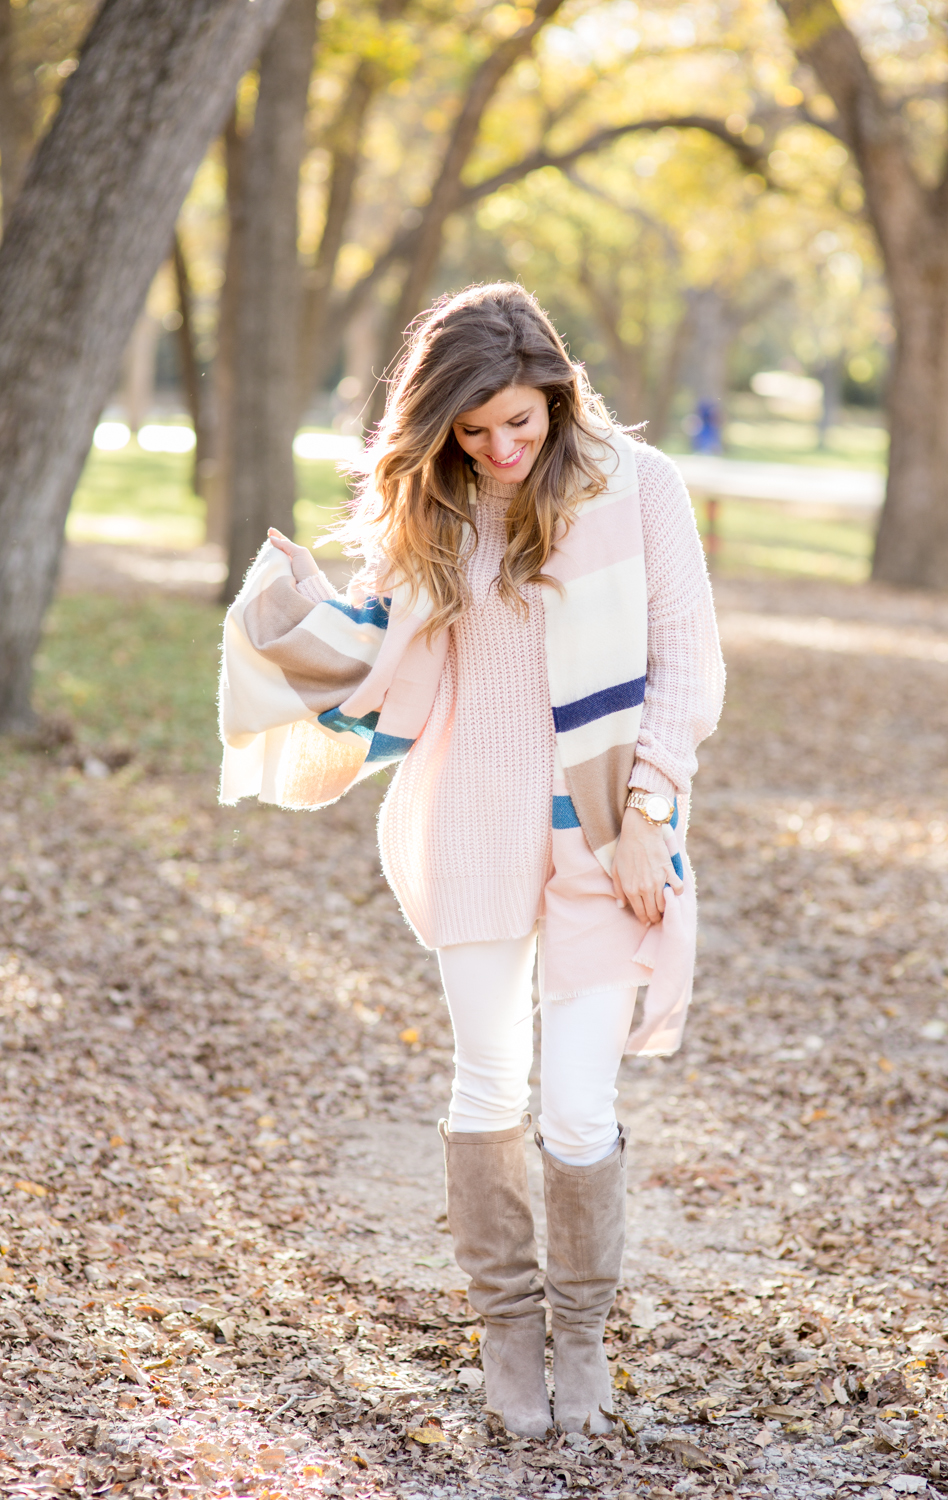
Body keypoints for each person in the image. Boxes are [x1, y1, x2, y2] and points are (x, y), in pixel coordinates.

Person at [235, 283, 725, 1438]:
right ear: (442, 426)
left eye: (520, 422)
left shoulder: (639, 486)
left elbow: (686, 665)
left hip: (607, 825)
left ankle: (582, 1338)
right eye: (474, 430)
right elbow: (377, 653)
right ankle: (509, 1335)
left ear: (556, 394)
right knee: (488, 1080)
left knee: (576, 1103)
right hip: (471, 817)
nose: (502, 449)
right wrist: (292, 615)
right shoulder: (442, 509)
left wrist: (651, 807)